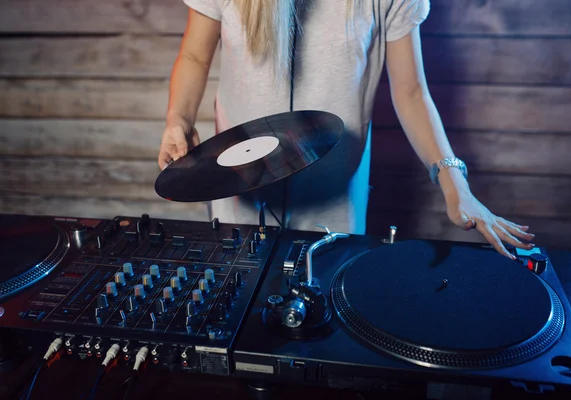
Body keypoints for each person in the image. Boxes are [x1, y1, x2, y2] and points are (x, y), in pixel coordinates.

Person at [158, 0, 535, 259]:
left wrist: (455, 182)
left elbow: (411, 91)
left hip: (335, 196)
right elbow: (194, 55)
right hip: (238, 191)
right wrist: (179, 119)